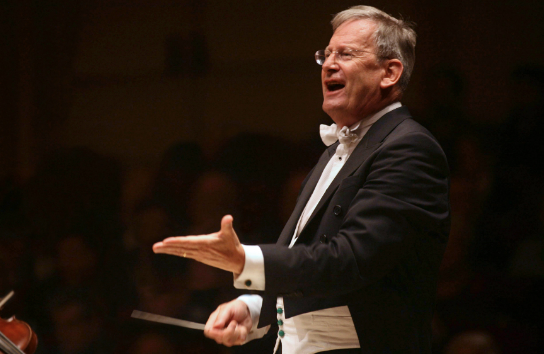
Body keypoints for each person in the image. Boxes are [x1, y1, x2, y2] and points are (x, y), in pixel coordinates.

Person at [153, 5, 450, 354]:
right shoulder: (334, 152)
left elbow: (350, 260)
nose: (329, 64)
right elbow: (306, 255)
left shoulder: (409, 148)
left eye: (347, 54)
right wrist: (256, 309)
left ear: (390, 72)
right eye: (326, 54)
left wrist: (245, 261)